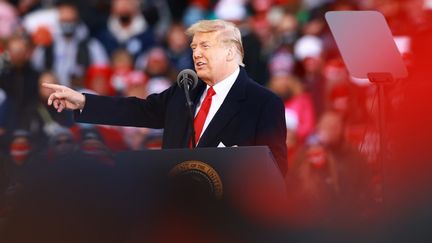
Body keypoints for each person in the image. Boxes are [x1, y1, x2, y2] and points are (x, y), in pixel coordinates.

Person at [43, 19, 288, 175]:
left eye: (205, 46)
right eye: (193, 47)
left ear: (231, 52)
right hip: (176, 214)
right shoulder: (185, 91)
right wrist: (84, 101)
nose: (196, 54)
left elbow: (277, 171)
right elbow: (139, 110)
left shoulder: (263, 102)